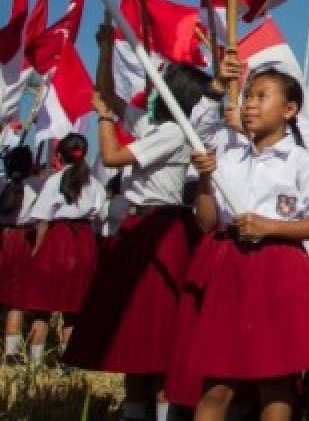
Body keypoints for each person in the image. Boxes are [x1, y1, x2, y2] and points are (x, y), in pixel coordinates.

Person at [165, 68, 309, 421]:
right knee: (217, 383)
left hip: (279, 271)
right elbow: (208, 222)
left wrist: (271, 226)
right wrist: (204, 180)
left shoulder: (304, 163)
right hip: (231, 271)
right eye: (248, 97)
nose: (250, 106)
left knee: (275, 381)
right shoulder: (227, 159)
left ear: (289, 110)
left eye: (262, 97)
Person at [64, 59, 227, 421]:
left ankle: (164, 412)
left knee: (157, 334)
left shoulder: (173, 133)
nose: (153, 91)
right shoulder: (155, 126)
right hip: (138, 230)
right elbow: (109, 97)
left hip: (160, 229)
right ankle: (136, 411)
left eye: (162, 84)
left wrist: (104, 120)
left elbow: (111, 155)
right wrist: (104, 48)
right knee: (135, 335)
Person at [13, 134, 105, 366]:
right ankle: (68, 364)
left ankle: (35, 364)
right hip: (83, 243)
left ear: (60, 155)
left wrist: (37, 249)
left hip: (57, 241)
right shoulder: (94, 183)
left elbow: (42, 219)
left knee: (41, 308)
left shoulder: (54, 180)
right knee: (72, 312)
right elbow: (98, 215)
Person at [0, 145, 37, 365]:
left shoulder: (2, 182)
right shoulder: (37, 185)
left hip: (3, 236)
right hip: (24, 240)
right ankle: (12, 353)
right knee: (16, 300)